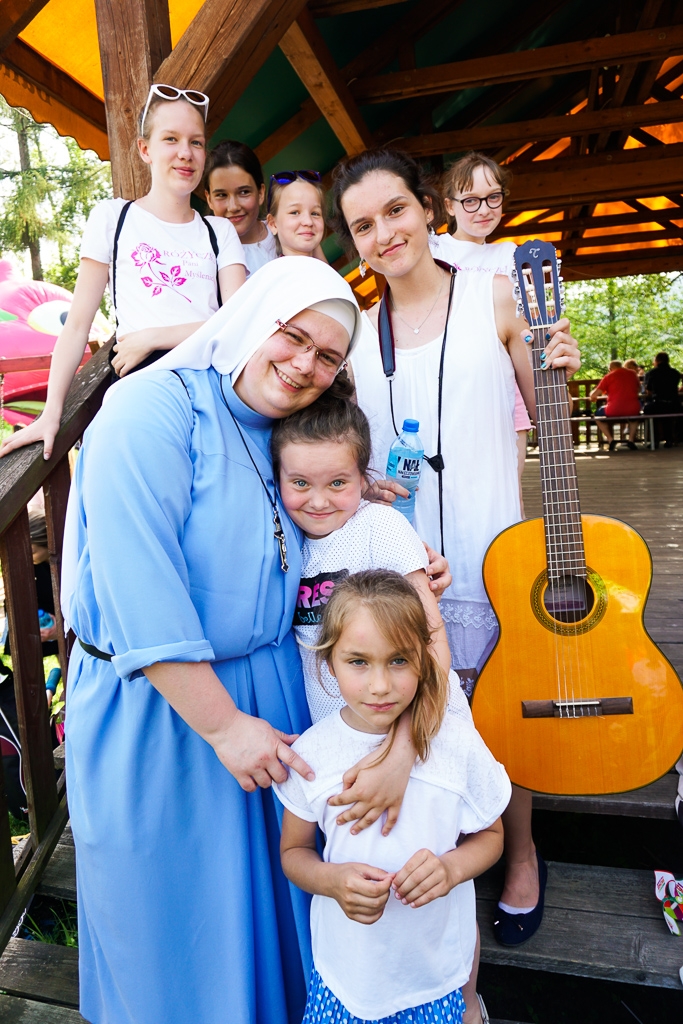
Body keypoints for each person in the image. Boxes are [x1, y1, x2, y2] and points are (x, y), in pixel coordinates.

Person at [62, 256, 451, 1024]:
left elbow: (310, 522)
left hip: (276, 701)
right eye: (292, 337)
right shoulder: (150, 409)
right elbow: (137, 580)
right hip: (166, 712)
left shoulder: (282, 428)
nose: (304, 365)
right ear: (250, 320)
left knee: (277, 917)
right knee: (173, 928)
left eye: (327, 356)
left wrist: (389, 548)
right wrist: (221, 725)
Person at [328, 148, 580, 1006]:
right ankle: (445, 887)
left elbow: (549, 419)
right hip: (401, 571)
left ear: (427, 210)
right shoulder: (356, 334)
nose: (383, 234)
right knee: (419, 721)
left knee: (503, 717)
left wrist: (561, 370)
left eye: (395, 210)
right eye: (363, 225)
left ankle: (519, 851)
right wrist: (366, 487)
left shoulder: (496, 295)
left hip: (494, 551)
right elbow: (347, 458)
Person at [273, 569, 510, 1024]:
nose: (380, 685)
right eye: (358, 662)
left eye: (399, 660)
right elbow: (293, 852)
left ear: (423, 658)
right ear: (328, 663)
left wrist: (451, 869)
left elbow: (493, 835)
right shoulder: (313, 755)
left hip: (435, 976)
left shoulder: (456, 744)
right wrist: (330, 881)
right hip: (347, 977)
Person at [0, 84, 247, 462]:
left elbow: (240, 321)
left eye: (196, 142)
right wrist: (51, 413)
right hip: (143, 388)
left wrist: (151, 337)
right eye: (171, 139)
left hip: (211, 386)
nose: (185, 152)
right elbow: (76, 325)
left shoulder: (219, 231)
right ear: (145, 149)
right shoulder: (113, 219)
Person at [270, 381, 471, 723]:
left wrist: (412, 730)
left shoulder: (380, 526)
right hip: (340, 728)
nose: (318, 502)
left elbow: (432, 637)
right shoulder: (289, 541)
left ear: (363, 479)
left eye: (337, 483)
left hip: (414, 721)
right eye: (300, 483)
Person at [431, 151, 532, 508]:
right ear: (449, 205)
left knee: (508, 491)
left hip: (505, 389)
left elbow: (525, 325)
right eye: (471, 200)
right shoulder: (433, 248)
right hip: (451, 385)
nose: (484, 209)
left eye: (493, 197)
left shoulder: (511, 256)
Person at [204, 139, 278, 275]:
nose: (233, 207)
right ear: (209, 199)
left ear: (261, 193)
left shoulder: (283, 237)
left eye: (244, 192)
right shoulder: (200, 250)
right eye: (221, 195)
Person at [266, 171, 328, 260]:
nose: (308, 222)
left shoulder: (323, 268)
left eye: (315, 213)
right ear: (273, 224)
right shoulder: (275, 269)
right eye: (294, 212)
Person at [589, 359, 641, 450]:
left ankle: (610, 440)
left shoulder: (608, 377)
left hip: (613, 409)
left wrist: (592, 397)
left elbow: (594, 395)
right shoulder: (633, 374)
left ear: (610, 369)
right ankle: (631, 440)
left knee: (597, 416)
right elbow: (639, 389)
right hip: (633, 408)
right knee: (635, 417)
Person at [644, 351, 682, 448]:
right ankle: (671, 439)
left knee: (648, 410)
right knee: (669, 414)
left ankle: (655, 440)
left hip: (658, 404)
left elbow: (649, 391)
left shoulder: (652, 373)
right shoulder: (675, 373)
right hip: (674, 405)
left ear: (657, 361)